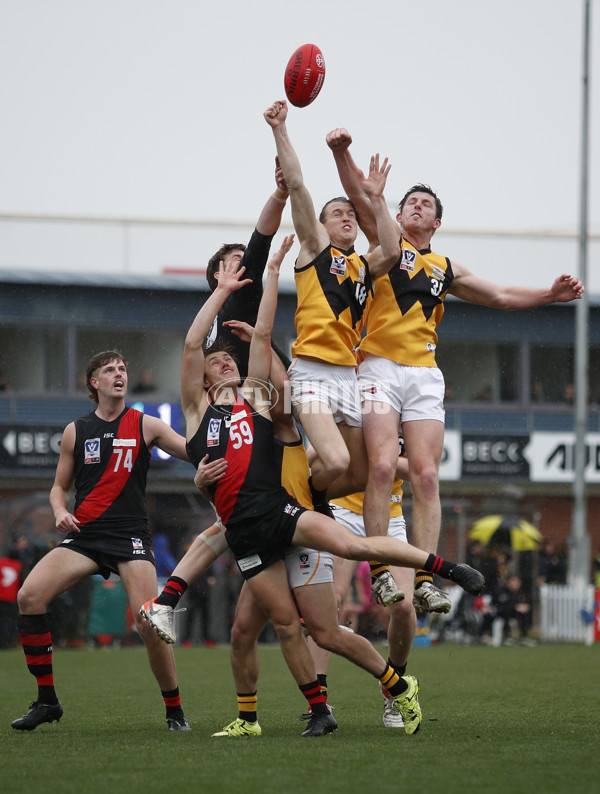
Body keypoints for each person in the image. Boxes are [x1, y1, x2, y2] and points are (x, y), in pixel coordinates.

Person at [144, 232, 483, 739]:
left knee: (340, 570)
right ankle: (284, 714)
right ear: (205, 378)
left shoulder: (257, 402)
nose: (224, 362)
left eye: (227, 358)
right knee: (265, 627)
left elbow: (262, 346)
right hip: (246, 531)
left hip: (285, 511)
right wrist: (219, 291)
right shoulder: (198, 415)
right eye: (217, 363)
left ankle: (441, 571)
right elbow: (194, 345)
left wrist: (273, 272)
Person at [326, 127, 585, 616]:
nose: (417, 207)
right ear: (398, 215)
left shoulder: (445, 267)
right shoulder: (383, 247)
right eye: (411, 202)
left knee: (426, 478)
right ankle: (381, 570)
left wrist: (550, 295)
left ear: (438, 220)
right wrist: (342, 152)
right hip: (378, 365)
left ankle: (425, 578)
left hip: (424, 374)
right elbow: (362, 199)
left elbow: (502, 296)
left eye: (426, 203)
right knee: (382, 466)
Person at [264, 99, 405, 608]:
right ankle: (294, 491)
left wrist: (376, 199)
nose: (347, 216)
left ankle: (376, 564)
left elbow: (391, 248)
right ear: (320, 228)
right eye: (338, 212)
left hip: (348, 376)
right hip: (313, 374)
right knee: (340, 458)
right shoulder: (314, 252)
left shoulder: (364, 267)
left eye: (351, 213)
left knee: (365, 474)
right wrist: (282, 128)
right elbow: (299, 186)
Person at [11, 350, 193, 732]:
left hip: (129, 537)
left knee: (149, 623)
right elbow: (59, 488)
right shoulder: (75, 431)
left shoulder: (147, 425)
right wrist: (60, 511)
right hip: (86, 535)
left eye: (123, 368)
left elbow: (192, 452)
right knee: (28, 597)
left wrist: (216, 447)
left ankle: (175, 712)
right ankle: (47, 702)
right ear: (94, 382)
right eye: (110, 370)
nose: (119, 374)